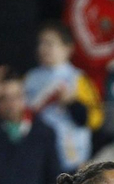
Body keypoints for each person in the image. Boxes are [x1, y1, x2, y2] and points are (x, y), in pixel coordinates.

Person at [25, 22, 104, 171]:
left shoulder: (78, 79)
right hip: (38, 155)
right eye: (40, 43)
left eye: (49, 43)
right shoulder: (30, 78)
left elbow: (95, 119)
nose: (42, 48)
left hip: (70, 157)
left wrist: (73, 103)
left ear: (67, 48)